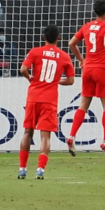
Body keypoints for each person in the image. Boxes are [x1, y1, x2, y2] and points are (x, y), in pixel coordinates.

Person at [18, 25, 75, 179]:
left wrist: (30, 78)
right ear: (59, 38)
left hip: (33, 97)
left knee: (27, 132)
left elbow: (23, 69)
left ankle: (22, 169)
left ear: (44, 37)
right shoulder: (64, 56)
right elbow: (70, 81)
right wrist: (56, 81)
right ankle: (40, 170)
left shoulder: (35, 51)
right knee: (45, 136)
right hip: (49, 100)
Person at [67, 0, 105, 159]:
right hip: (102, 69)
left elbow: (71, 43)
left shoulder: (87, 26)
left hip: (88, 69)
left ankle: (71, 136)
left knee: (83, 104)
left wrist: (81, 60)